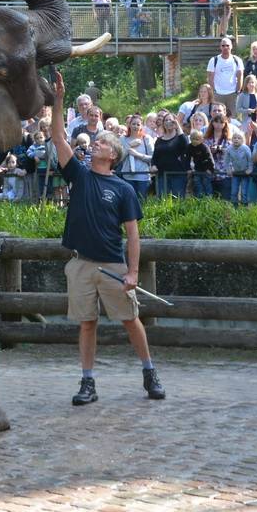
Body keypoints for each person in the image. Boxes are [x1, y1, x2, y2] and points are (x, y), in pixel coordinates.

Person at [50, 72, 165, 406]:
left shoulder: (124, 190)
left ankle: (149, 372)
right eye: (95, 141)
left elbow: (133, 235)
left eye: (100, 142)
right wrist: (58, 99)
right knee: (87, 325)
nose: (94, 143)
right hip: (81, 264)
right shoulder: (80, 175)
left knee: (130, 320)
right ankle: (88, 383)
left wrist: (132, 272)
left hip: (114, 266)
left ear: (112, 155)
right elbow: (58, 138)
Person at [152, 112, 189, 197]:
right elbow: (155, 157)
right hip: (162, 175)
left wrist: (177, 126)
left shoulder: (180, 138)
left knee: (178, 200)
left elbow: (185, 145)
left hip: (177, 174)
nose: (168, 122)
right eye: (166, 120)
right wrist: (153, 165)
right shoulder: (159, 140)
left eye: (170, 120)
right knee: (162, 200)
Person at [120, 115, 154, 200]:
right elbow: (119, 158)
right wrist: (129, 147)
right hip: (127, 176)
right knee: (129, 201)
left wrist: (137, 154)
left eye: (138, 124)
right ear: (129, 125)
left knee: (142, 202)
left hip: (143, 176)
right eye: (133, 124)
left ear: (141, 126)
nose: (135, 126)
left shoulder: (147, 139)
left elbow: (153, 157)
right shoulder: (123, 139)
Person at [207, 37, 243, 107]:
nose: (225, 47)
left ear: (231, 46)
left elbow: (240, 76)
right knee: (218, 116)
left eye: (227, 45)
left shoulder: (237, 60)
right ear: (220, 47)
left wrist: (237, 91)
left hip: (233, 94)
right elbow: (210, 77)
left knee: (233, 117)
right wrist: (214, 92)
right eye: (223, 45)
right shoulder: (214, 60)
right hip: (218, 94)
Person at [205, 114, 233, 200]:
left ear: (225, 124)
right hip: (211, 174)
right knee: (211, 201)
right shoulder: (207, 139)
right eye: (216, 122)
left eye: (221, 122)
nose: (218, 124)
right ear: (212, 123)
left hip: (225, 174)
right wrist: (210, 151)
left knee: (226, 201)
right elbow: (203, 155)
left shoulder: (229, 139)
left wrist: (224, 151)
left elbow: (232, 155)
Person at [226, 131, 253, 205]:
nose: (236, 140)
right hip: (236, 172)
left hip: (245, 172)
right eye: (234, 138)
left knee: (244, 192)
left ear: (243, 140)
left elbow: (250, 160)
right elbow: (226, 161)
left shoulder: (246, 148)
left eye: (239, 138)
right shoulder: (229, 148)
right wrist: (228, 170)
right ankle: (234, 208)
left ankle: (244, 209)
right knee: (234, 191)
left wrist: (250, 169)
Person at [186, 129, 215, 197]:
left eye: (197, 139)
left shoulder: (204, 147)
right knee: (197, 184)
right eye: (193, 139)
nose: (195, 141)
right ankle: (199, 199)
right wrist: (188, 168)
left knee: (206, 184)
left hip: (206, 169)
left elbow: (209, 158)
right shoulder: (189, 147)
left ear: (201, 139)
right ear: (190, 139)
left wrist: (210, 169)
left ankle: (209, 199)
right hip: (197, 169)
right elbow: (187, 159)